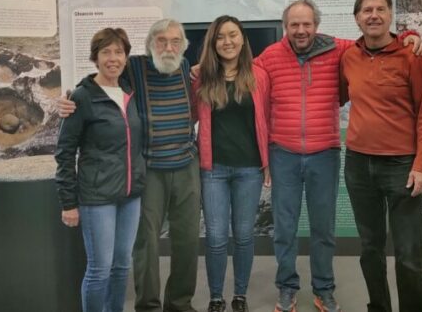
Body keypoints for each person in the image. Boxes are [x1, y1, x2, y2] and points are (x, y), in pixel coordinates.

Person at [253, 0, 422, 312]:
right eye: (294, 25)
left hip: (324, 154)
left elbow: (374, 39)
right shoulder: (270, 57)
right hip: (284, 154)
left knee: (323, 228)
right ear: (285, 27)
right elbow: (239, 70)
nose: (301, 30)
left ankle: (324, 288)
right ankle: (287, 287)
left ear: (316, 26)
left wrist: (407, 35)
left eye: (307, 24)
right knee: (285, 228)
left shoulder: (337, 49)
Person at [59, 19, 200, 312]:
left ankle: (179, 304)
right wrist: (68, 100)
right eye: (161, 41)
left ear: (184, 46)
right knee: (144, 246)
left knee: (186, 240)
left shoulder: (187, 68)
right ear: (150, 45)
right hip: (147, 171)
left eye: (175, 41)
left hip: (183, 166)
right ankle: (148, 306)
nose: (168, 47)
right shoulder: (135, 68)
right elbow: (101, 77)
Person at [339, 0, 422, 312]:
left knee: (409, 253)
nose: (373, 15)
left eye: (380, 9)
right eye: (367, 10)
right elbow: (336, 93)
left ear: (390, 15)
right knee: (370, 248)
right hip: (358, 165)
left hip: (401, 167)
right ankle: (378, 306)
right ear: (357, 18)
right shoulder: (349, 57)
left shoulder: (413, 55)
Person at [55, 27, 146, 312]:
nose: (113, 58)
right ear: (95, 57)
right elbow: (65, 152)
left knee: (121, 266)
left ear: (125, 57)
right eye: (106, 52)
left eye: (119, 52)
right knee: (99, 270)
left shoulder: (129, 91)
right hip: (97, 198)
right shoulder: (82, 97)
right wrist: (68, 202)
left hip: (130, 195)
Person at [193, 16, 271, 312]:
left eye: (233, 35)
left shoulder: (259, 77)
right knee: (214, 236)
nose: (227, 42)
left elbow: (268, 120)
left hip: (249, 169)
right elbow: (187, 113)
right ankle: (216, 297)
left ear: (242, 39)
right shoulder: (201, 78)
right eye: (220, 37)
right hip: (213, 169)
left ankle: (239, 295)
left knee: (243, 234)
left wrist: (267, 164)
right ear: (213, 43)